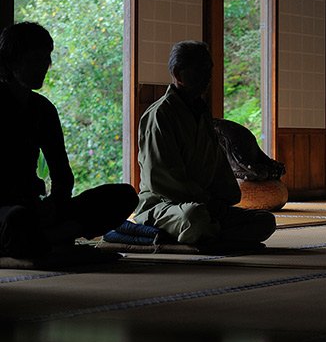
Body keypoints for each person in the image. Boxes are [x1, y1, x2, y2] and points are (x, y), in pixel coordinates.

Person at [0, 22, 138, 258]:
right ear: (12, 62)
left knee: (124, 195)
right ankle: (50, 238)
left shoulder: (43, 109)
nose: (45, 66)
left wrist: (54, 203)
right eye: (36, 58)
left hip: (36, 209)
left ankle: (43, 239)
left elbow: (62, 173)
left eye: (47, 58)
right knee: (15, 219)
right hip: (8, 208)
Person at [133, 40, 276, 245]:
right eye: (200, 70)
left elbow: (217, 164)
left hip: (206, 204)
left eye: (210, 69)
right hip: (165, 206)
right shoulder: (159, 115)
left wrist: (224, 197)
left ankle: (208, 235)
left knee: (265, 221)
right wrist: (206, 200)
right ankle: (208, 233)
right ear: (178, 74)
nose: (208, 76)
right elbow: (161, 178)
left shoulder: (202, 113)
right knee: (195, 218)